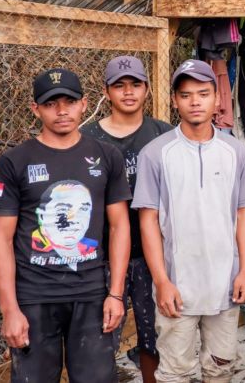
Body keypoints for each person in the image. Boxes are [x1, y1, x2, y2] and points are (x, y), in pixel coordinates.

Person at [0, 68, 131, 382]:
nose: (62, 110)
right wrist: (10, 310)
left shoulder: (106, 156)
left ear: (84, 104)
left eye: (70, 101)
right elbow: (0, 240)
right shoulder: (13, 162)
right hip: (34, 298)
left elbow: (119, 227)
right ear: (35, 109)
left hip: (91, 295)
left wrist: (116, 294)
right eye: (51, 103)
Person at [132, 60, 245, 382]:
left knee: (221, 367)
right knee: (174, 372)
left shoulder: (237, 152)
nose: (195, 101)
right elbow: (148, 221)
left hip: (225, 284)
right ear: (174, 100)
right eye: (186, 95)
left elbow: (244, 213)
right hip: (177, 287)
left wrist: (244, 271)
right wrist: (162, 282)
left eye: (203, 94)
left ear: (217, 99)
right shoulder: (155, 153)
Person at [81, 55, 172, 381]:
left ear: (147, 89)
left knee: (155, 337)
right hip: (102, 257)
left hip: (153, 255)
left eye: (135, 84)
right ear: (106, 92)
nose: (128, 91)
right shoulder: (87, 138)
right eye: (119, 85)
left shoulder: (164, 135)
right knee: (102, 339)